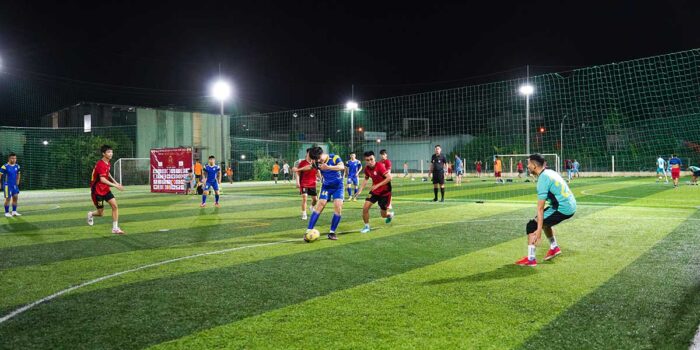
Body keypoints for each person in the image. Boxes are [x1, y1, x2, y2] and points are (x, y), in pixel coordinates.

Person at [516, 153, 576, 267]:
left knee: (531, 225)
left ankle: (531, 259)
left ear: (534, 165)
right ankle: (554, 247)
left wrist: (538, 230)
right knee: (546, 222)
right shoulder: (550, 172)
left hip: (562, 208)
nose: (527, 166)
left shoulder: (543, 179)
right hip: (569, 204)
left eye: (528, 164)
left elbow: (540, 208)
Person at [304, 146, 345, 240]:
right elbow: (310, 167)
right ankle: (308, 231)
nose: (318, 161)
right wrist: (298, 169)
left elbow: (342, 167)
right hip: (326, 187)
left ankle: (332, 233)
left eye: (318, 158)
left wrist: (328, 167)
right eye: (316, 159)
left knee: (338, 207)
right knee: (319, 206)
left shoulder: (334, 157)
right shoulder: (316, 162)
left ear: (322, 154)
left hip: (338, 187)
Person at [87, 145, 125, 234]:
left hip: (106, 190)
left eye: (111, 152)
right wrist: (115, 186)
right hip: (97, 192)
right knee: (100, 213)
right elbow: (102, 179)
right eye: (108, 152)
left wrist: (116, 183)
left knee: (115, 206)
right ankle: (90, 214)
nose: (111, 153)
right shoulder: (100, 164)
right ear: (103, 154)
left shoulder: (107, 163)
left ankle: (115, 228)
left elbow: (107, 174)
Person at [357, 151, 394, 233]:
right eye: (367, 160)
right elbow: (366, 179)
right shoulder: (367, 168)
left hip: (385, 192)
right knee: (365, 208)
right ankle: (367, 227)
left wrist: (377, 185)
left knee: (383, 215)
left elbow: (389, 178)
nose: (370, 162)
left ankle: (390, 215)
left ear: (374, 158)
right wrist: (360, 189)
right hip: (375, 191)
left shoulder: (380, 166)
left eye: (371, 159)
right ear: (365, 160)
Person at [294, 149, 318, 220]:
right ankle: (304, 214)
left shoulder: (315, 163)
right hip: (304, 183)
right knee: (305, 197)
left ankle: (311, 207)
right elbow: (298, 173)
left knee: (315, 200)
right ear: (307, 154)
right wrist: (297, 182)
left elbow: (317, 172)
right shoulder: (302, 163)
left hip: (313, 184)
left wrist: (320, 177)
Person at [1, 153, 22, 217]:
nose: (14, 159)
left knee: (15, 197)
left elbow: (18, 173)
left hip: (14, 185)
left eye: (15, 158)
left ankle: (14, 212)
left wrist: (18, 180)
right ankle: (6, 212)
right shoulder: (4, 166)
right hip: (7, 185)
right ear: (9, 158)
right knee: (8, 199)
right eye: (13, 158)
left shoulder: (17, 166)